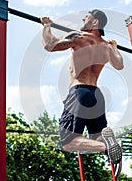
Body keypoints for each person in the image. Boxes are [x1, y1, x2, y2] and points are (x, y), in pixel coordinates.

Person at [40, 10, 123, 175]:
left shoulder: (79, 37)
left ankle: (107, 146)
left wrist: (46, 26)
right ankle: (105, 144)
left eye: (88, 16)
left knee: (67, 141)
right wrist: (115, 47)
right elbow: (119, 64)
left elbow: (49, 45)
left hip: (80, 91)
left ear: (95, 23)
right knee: (97, 136)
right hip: (97, 95)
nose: (83, 18)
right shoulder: (107, 47)